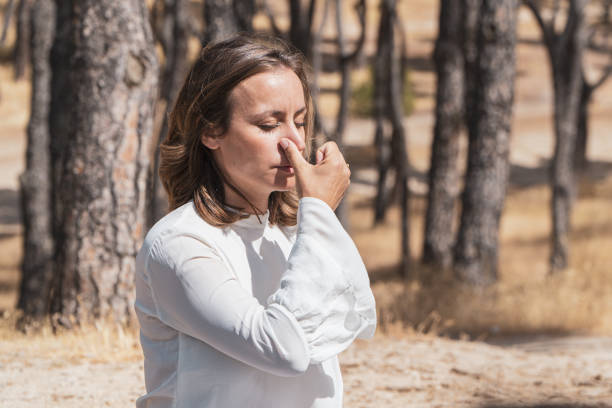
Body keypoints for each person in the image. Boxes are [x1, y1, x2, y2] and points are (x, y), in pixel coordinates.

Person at [134, 33, 376, 408]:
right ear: (211, 131)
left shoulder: (293, 232)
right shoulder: (179, 244)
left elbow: (351, 322)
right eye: (269, 125)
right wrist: (320, 213)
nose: (294, 142)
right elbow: (284, 349)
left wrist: (314, 220)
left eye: (300, 121)